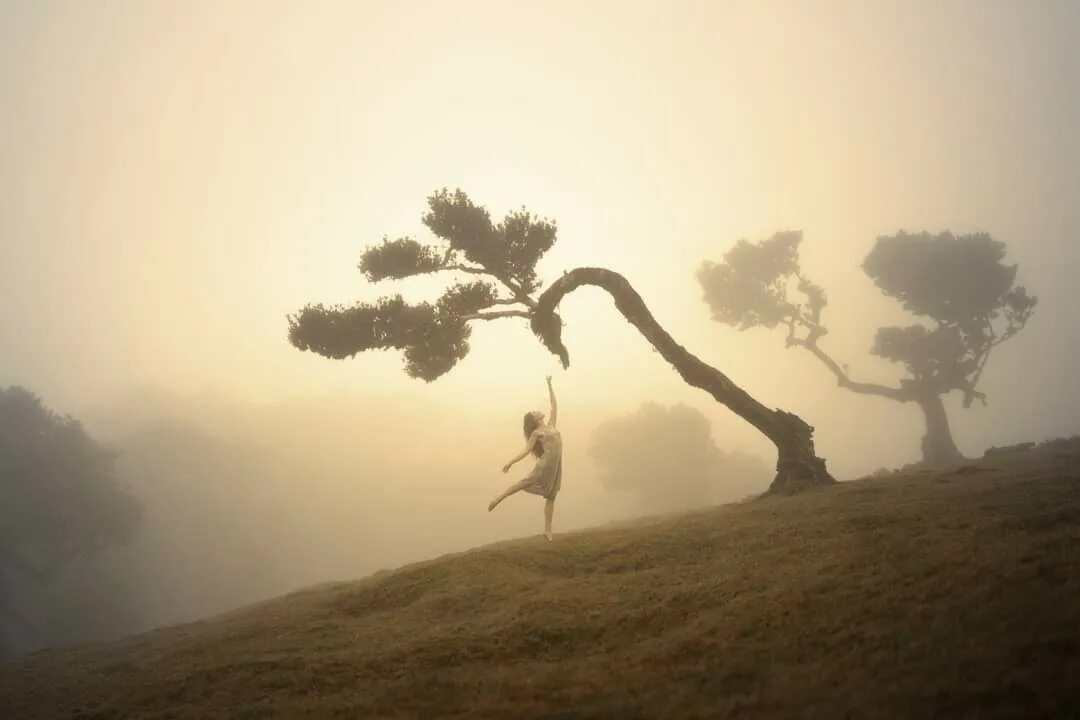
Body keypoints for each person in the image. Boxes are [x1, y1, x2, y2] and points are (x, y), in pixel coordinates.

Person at [488, 375, 562, 541]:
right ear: (535, 419)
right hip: (545, 465)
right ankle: (498, 498)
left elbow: (554, 407)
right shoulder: (537, 433)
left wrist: (550, 384)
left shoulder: (551, 425)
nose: (537, 410)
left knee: (551, 496)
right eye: (535, 412)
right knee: (524, 482)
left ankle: (547, 531)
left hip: (556, 467)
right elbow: (526, 450)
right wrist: (510, 462)